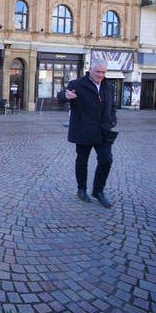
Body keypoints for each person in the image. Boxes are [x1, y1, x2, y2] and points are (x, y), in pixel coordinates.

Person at [57, 57, 117, 208]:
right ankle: (81, 189)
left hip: (103, 131)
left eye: (103, 72)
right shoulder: (77, 84)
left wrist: (112, 120)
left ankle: (98, 191)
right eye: (98, 72)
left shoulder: (108, 86)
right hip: (83, 130)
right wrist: (65, 96)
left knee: (106, 160)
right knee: (82, 161)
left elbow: (112, 106)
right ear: (90, 70)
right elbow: (61, 97)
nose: (101, 75)